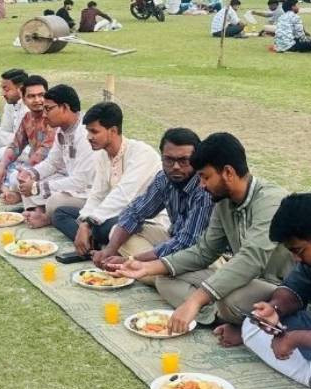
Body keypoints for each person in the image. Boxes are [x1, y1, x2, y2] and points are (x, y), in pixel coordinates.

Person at [110, 132, 292, 333]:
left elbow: (251, 259)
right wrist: (148, 267)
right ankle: (216, 316)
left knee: (229, 299)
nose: (202, 185)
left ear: (228, 172)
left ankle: (219, 313)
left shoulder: (270, 201)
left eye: (205, 177)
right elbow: (204, 251)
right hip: (243, 279)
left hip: (280, 288)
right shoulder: (223, 202)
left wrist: (195, 301)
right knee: (164, 278)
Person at [240, 194, 311, 389]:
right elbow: (295, 288)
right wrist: (274, 310)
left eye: (298, 251)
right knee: (253, 325)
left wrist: (294, 339)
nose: (296, 259)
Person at [92, 128, 214, 274]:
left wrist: (130, 260)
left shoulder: (205, 188)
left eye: (183, 161)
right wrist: (110, 250)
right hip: (173, 238)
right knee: (116, 232)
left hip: (201, 253)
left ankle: (146, 270)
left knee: (160, 278)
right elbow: (134, 213)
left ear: (196, 160)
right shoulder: (164, 179)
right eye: (169, 160)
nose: (175, 167)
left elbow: (187, 243)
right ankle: (148, 269)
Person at [51, 102, 161, 257]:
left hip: (142, 219)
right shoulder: (102, 155)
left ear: (113, 131)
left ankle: (96, 245)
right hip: (112, 215)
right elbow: (97, 195)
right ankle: (95, 245)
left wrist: (90, 222)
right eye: (88, 131)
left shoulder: (142, 154)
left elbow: (123, 196)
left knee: (101, 228)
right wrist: (84, 222)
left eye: (94, 131)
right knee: (60, 214)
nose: (89, 137)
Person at [16, 84, 94, 228]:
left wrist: (37, 187)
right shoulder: (61, 130)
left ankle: (45, 217)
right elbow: (52, 163)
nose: (44, 114)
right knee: (25, 181)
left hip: (89, 192)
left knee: (55, 201)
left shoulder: (85, 133)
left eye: (48, 109)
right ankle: (37, 212)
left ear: (65, 107)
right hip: (70, 183)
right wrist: (31, 173)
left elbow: (81, 182)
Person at [0, 75, 55, 203]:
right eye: (31, 96)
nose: (37, 100)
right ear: (23, 98)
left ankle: (13, 193)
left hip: (49, 169)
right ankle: (7, 191)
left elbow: (44, 153)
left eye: (41, 95)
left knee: (16, 177)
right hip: (31, 166)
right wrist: (2, 167)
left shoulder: (52, 118)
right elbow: (15, 146)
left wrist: (26, 171)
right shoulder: (28, 118)